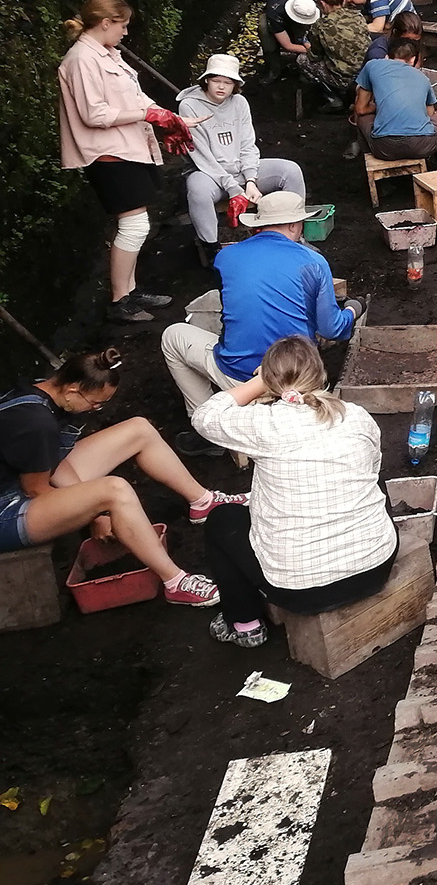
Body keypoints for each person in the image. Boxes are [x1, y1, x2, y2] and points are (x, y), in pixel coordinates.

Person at [190, 337, 399, 648]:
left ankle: (244, 623)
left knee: (222, 519)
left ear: (271, 382)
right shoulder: (355, 415)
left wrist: (259, 382)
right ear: (320, 374)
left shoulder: (264, 424)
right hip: (376, 567)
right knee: (370, 480)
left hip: (300, 591)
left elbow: (204, 416)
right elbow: (373, 466)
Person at [0, 347, 222, 605]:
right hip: (8, 508)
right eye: (94, 403)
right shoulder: (35, 422)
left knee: (138, 429)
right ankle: (175, 582)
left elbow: (53, 461)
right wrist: (92, 515)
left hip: (21, 479)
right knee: (114, 491)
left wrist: (85, 502)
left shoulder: (44, 392)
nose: (95, 409)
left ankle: (203, 502)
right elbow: (36, 489)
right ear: (72, 390)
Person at [161, 190, 357, 414]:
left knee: (173, 335)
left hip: (238, 376)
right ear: (294, 225)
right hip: (295, 379)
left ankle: (205, 419)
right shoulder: (313, 262)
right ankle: (219, 420)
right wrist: (352, 310)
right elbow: (332, 329)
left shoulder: (226, 256)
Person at [57, 0, 191, 322]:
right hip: (107, 152)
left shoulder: (108, 53)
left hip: (126, 146)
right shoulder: (80, 60)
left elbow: (134, 95)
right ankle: (119, 301)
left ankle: (130, 290)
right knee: (134, 224)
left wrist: (168, 116)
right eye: (123, 25)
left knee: (136, 221)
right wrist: (148, 114)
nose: (126, 32)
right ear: (105, 23)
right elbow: (93, 113)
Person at [176, 55, 306, 262]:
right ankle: (212, 250)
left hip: (240, 170)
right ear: (206, 80)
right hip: (209, 173)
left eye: (227, 83)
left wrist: (251, 181)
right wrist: (234, 189)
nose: (221, 87)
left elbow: (247, 144)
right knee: (197, 188)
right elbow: (201, 155)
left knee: (290, 170)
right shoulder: (189, 105)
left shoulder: (239, 103)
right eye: (216, 80)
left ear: (235, 84)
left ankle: (293, 235)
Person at [352, 38, 437, 162]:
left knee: (362, 118)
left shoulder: (372, 65)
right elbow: (430, 115)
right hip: (422, 146)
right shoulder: (422, 78)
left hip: (383, 148)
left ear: (387, 57)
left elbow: (360, 109)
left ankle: (368, 160)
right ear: (412, 60)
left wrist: (379, 107)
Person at [311, 0, 372, 95]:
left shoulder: (321, 25)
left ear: (322, 4)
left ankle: (332, 98)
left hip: (346, 78)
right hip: (366, 71)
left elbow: (315, 55)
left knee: (302, 60)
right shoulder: (357, 16)